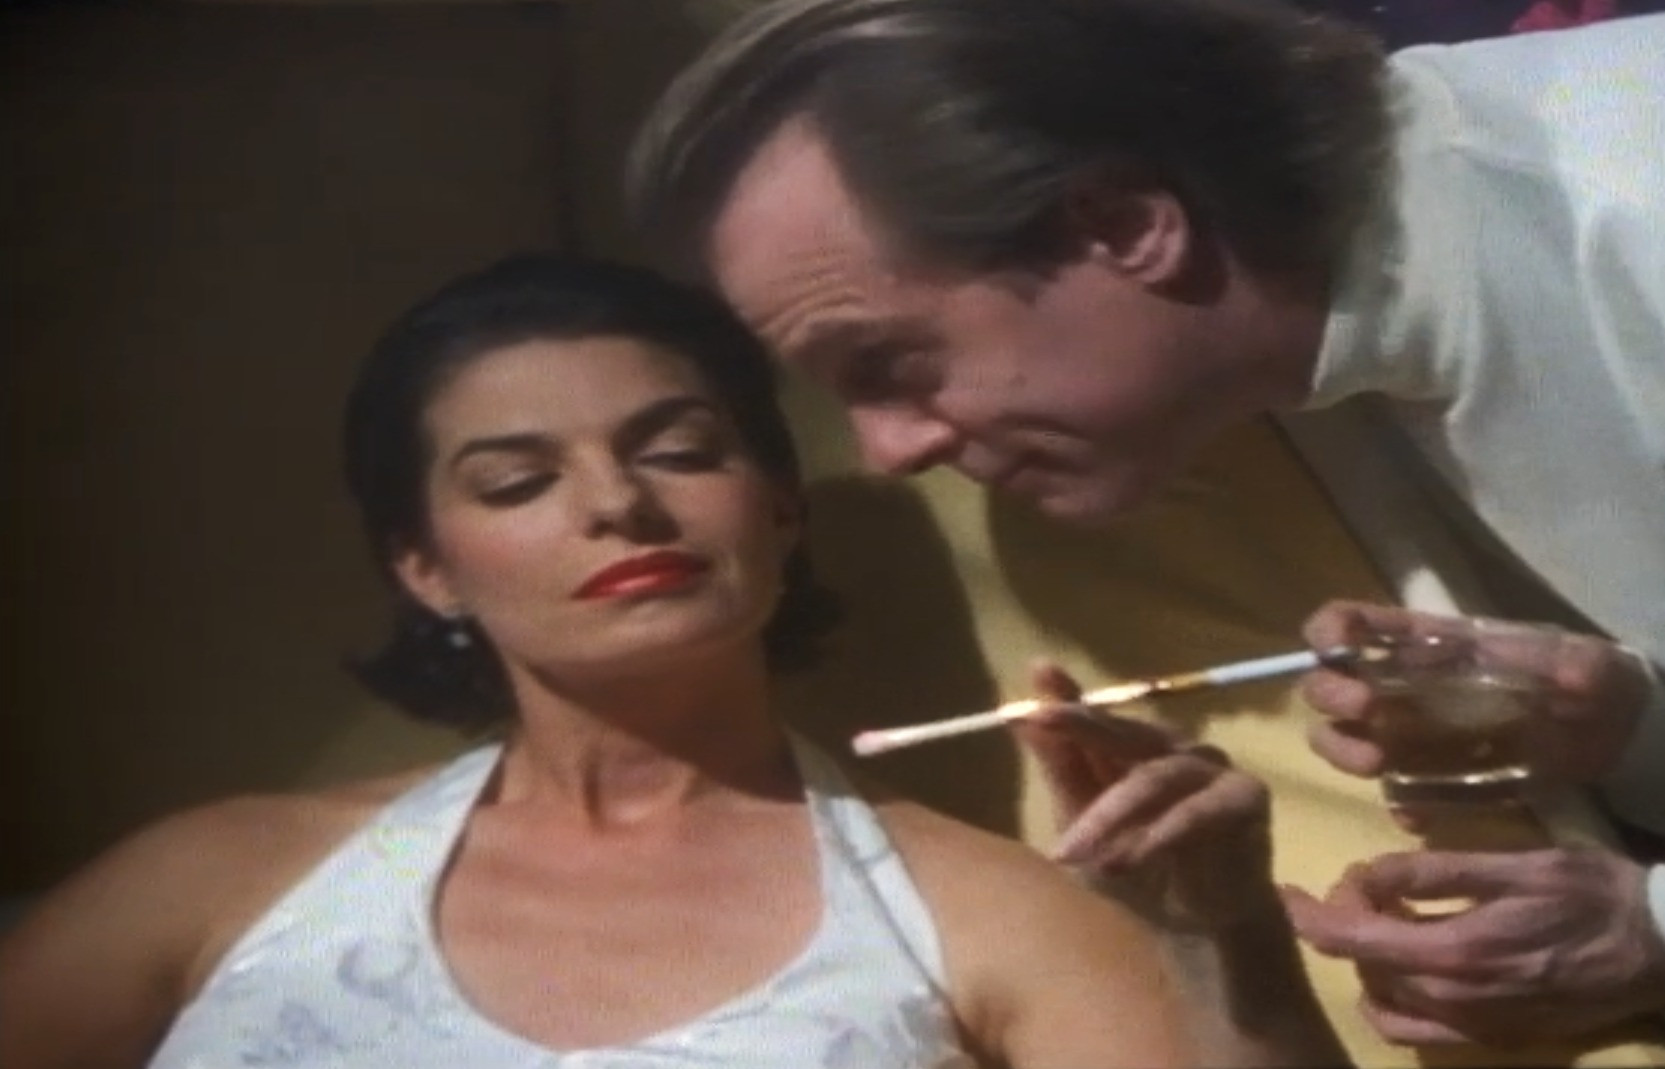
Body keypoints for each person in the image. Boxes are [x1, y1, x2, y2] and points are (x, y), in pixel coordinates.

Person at [623, 0, 1665, 1049]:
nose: (888, 451)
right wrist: (1631, 730)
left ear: (1128, 226)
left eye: (890, 365)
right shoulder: (1292, 370)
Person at [0, 256, 1348, 1068]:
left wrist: (1229, 941)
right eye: (519, 480)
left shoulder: (988, 917)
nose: (617, 504)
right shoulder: (226, 879)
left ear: (780, 505)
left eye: (679, 450)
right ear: (425, 565)